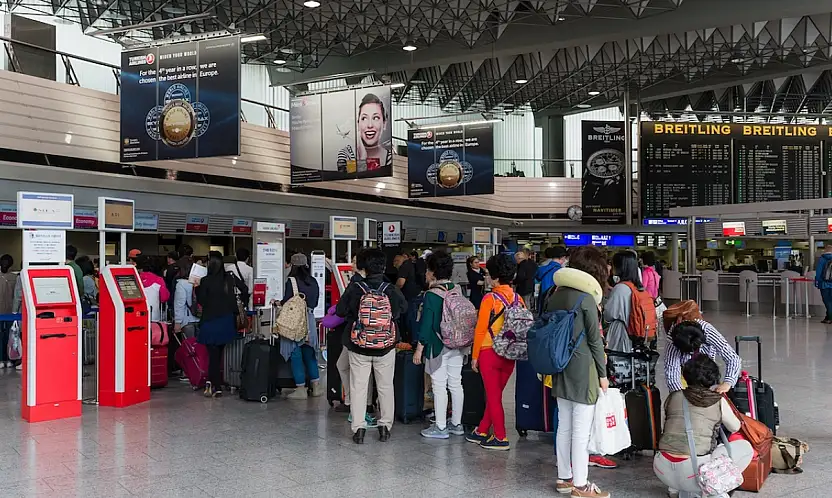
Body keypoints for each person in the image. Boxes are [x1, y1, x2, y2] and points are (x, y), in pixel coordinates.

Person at [542, 246, 611, 498]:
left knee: (565, 426)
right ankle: (581, 486)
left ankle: (564, 478)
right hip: (583, 369)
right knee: (581, 430)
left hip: (560, 365)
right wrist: (603, 375)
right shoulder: (586, 299)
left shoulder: (556, 294)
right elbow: (595, 341)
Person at [654, 355, 754, 498]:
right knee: (745, 447)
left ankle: (676, 489)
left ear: (686, 376)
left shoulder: (674, 396)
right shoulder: (717, 401)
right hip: (693, 473)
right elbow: (735, 427)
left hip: (661, 469)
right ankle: (713, 488)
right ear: (713, 378)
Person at [336, 248, 407, 444]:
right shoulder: (390, 289)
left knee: (358, 386)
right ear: (383, 266)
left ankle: (359, 429)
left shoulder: (357, 287)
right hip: (385, 346)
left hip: (359, 346)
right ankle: (385, 427)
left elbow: (341, 311)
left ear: (364, 267)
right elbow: (404, 309)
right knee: (385, 386)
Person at [468, 254, 521, 451]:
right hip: (511, 352)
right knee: (496, 394)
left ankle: (500, 436)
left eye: (489, 274)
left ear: (496, 277)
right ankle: (481, 430)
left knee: (493, 396)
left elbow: (480, 329)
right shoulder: (518, 298)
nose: (487, 277)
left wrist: (474, 357)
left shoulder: (489, 298)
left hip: (489, 351)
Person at [413, 250, 466, 439]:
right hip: (458, 344)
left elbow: (427, 325)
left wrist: (419, 349)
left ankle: (441, 427)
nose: (426, 274)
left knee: (439, 385)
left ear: (433, 272)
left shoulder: (432, 295)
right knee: (456, 384)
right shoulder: (457, 289)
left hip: (438, 345)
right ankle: (457, 424)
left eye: (428, 270)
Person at [195, 251, 246, 398]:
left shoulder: (205, 281)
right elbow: (244, 289)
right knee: (219, 354)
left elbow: (202, 302)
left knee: (213, 356)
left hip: (210, 321)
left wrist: (197, 289)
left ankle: (214, 384)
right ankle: (215, 384)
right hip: (225, 320)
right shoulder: (229, 278)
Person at [280, 253, 323, 399]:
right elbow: (315, 303)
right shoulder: (313, 281)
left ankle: (300, 389)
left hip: (295, 322)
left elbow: (286, 301)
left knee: (295, 354)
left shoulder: (291, 282)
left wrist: (277, 303)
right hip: (309, 320)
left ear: (293, 265)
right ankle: (316, 387)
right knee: (310, 354)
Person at [664, 316, 741, 394]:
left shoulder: (707, 330)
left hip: (707, 373)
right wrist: (681, 396)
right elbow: (672, 371)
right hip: (686, 377)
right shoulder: (674, 339)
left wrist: (727, 383)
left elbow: (732, 358)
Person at [336, 93, 392, 173]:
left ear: (384, 123)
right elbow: (347, 179)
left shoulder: (389, 157)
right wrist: (362, 157)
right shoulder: (346, 154)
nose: (370, 125)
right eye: (364, 118)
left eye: (375, 118)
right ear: (358, 123)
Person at [603, 250, 643, 353]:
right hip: (636, 334)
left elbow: (608, 315)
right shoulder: (638, 287)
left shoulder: (620, 288)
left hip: (621, 334)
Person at [395, 250, 422, 343]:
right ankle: (414, 339)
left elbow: (400, 283)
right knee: (414, 318)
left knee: (409, 319)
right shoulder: (412, 265)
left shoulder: (404, 266)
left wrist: (393, 290)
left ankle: (411, 341)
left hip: (409, 296)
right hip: (417, 294)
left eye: (395, 262)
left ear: (398, 261)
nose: (394, 265)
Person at [173, 259, 200, 340]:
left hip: (187, 320)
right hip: (200, 318)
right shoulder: (199, 281)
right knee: (201, 348)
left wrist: (177, 322)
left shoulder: (181, 284)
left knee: (189, 348)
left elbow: (180, 304)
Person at [138, 256, 169, 322]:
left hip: (136, 315)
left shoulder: (135, 279)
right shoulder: (159, 280)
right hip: (154, 316)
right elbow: (164, 298)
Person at [0, 255, 16, 368]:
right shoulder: (15, 278)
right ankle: (9, 359)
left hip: (0, 312)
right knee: (10, 336)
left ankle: (1, 359)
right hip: (11, 312)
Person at [815, 244, 832, 323]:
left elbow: (818, 272)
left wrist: (817, 281)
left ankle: (830, 318)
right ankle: (828, 316)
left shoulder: (822, 259)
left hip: (824, 284)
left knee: (827, 301)